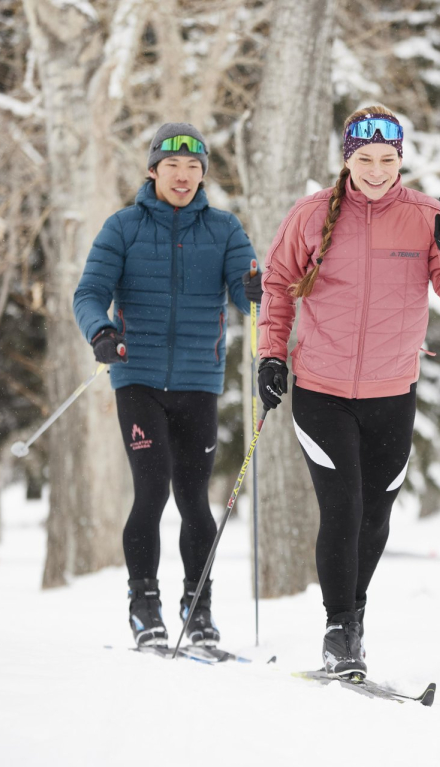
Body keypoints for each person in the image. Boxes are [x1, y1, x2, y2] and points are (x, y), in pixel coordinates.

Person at [255, 106, 440, 677]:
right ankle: (338, 629)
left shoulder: (426, 216)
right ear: (347, 159)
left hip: (391, 391)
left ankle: (353, 619)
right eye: (365, 159)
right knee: (343, 506)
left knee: (376, 516)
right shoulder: (310, 215)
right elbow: (277, 285)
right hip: (321, 389)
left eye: (387, 160)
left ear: (399, 159)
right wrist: (270, 356)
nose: (376, 171)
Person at [73, 122, 265, 648]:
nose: (183, 177)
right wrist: (102, 331)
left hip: (199, 381)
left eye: (194, 168)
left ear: (203, 175)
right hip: (137, 376)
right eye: (173, 167)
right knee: (152, 489)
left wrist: (255, 289)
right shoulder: (123, 227)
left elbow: (249, 298)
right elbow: (89, 292)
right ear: (152, 170)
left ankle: (197, 608)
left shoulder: (224, 228)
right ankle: (144, 604)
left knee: (194, 498)